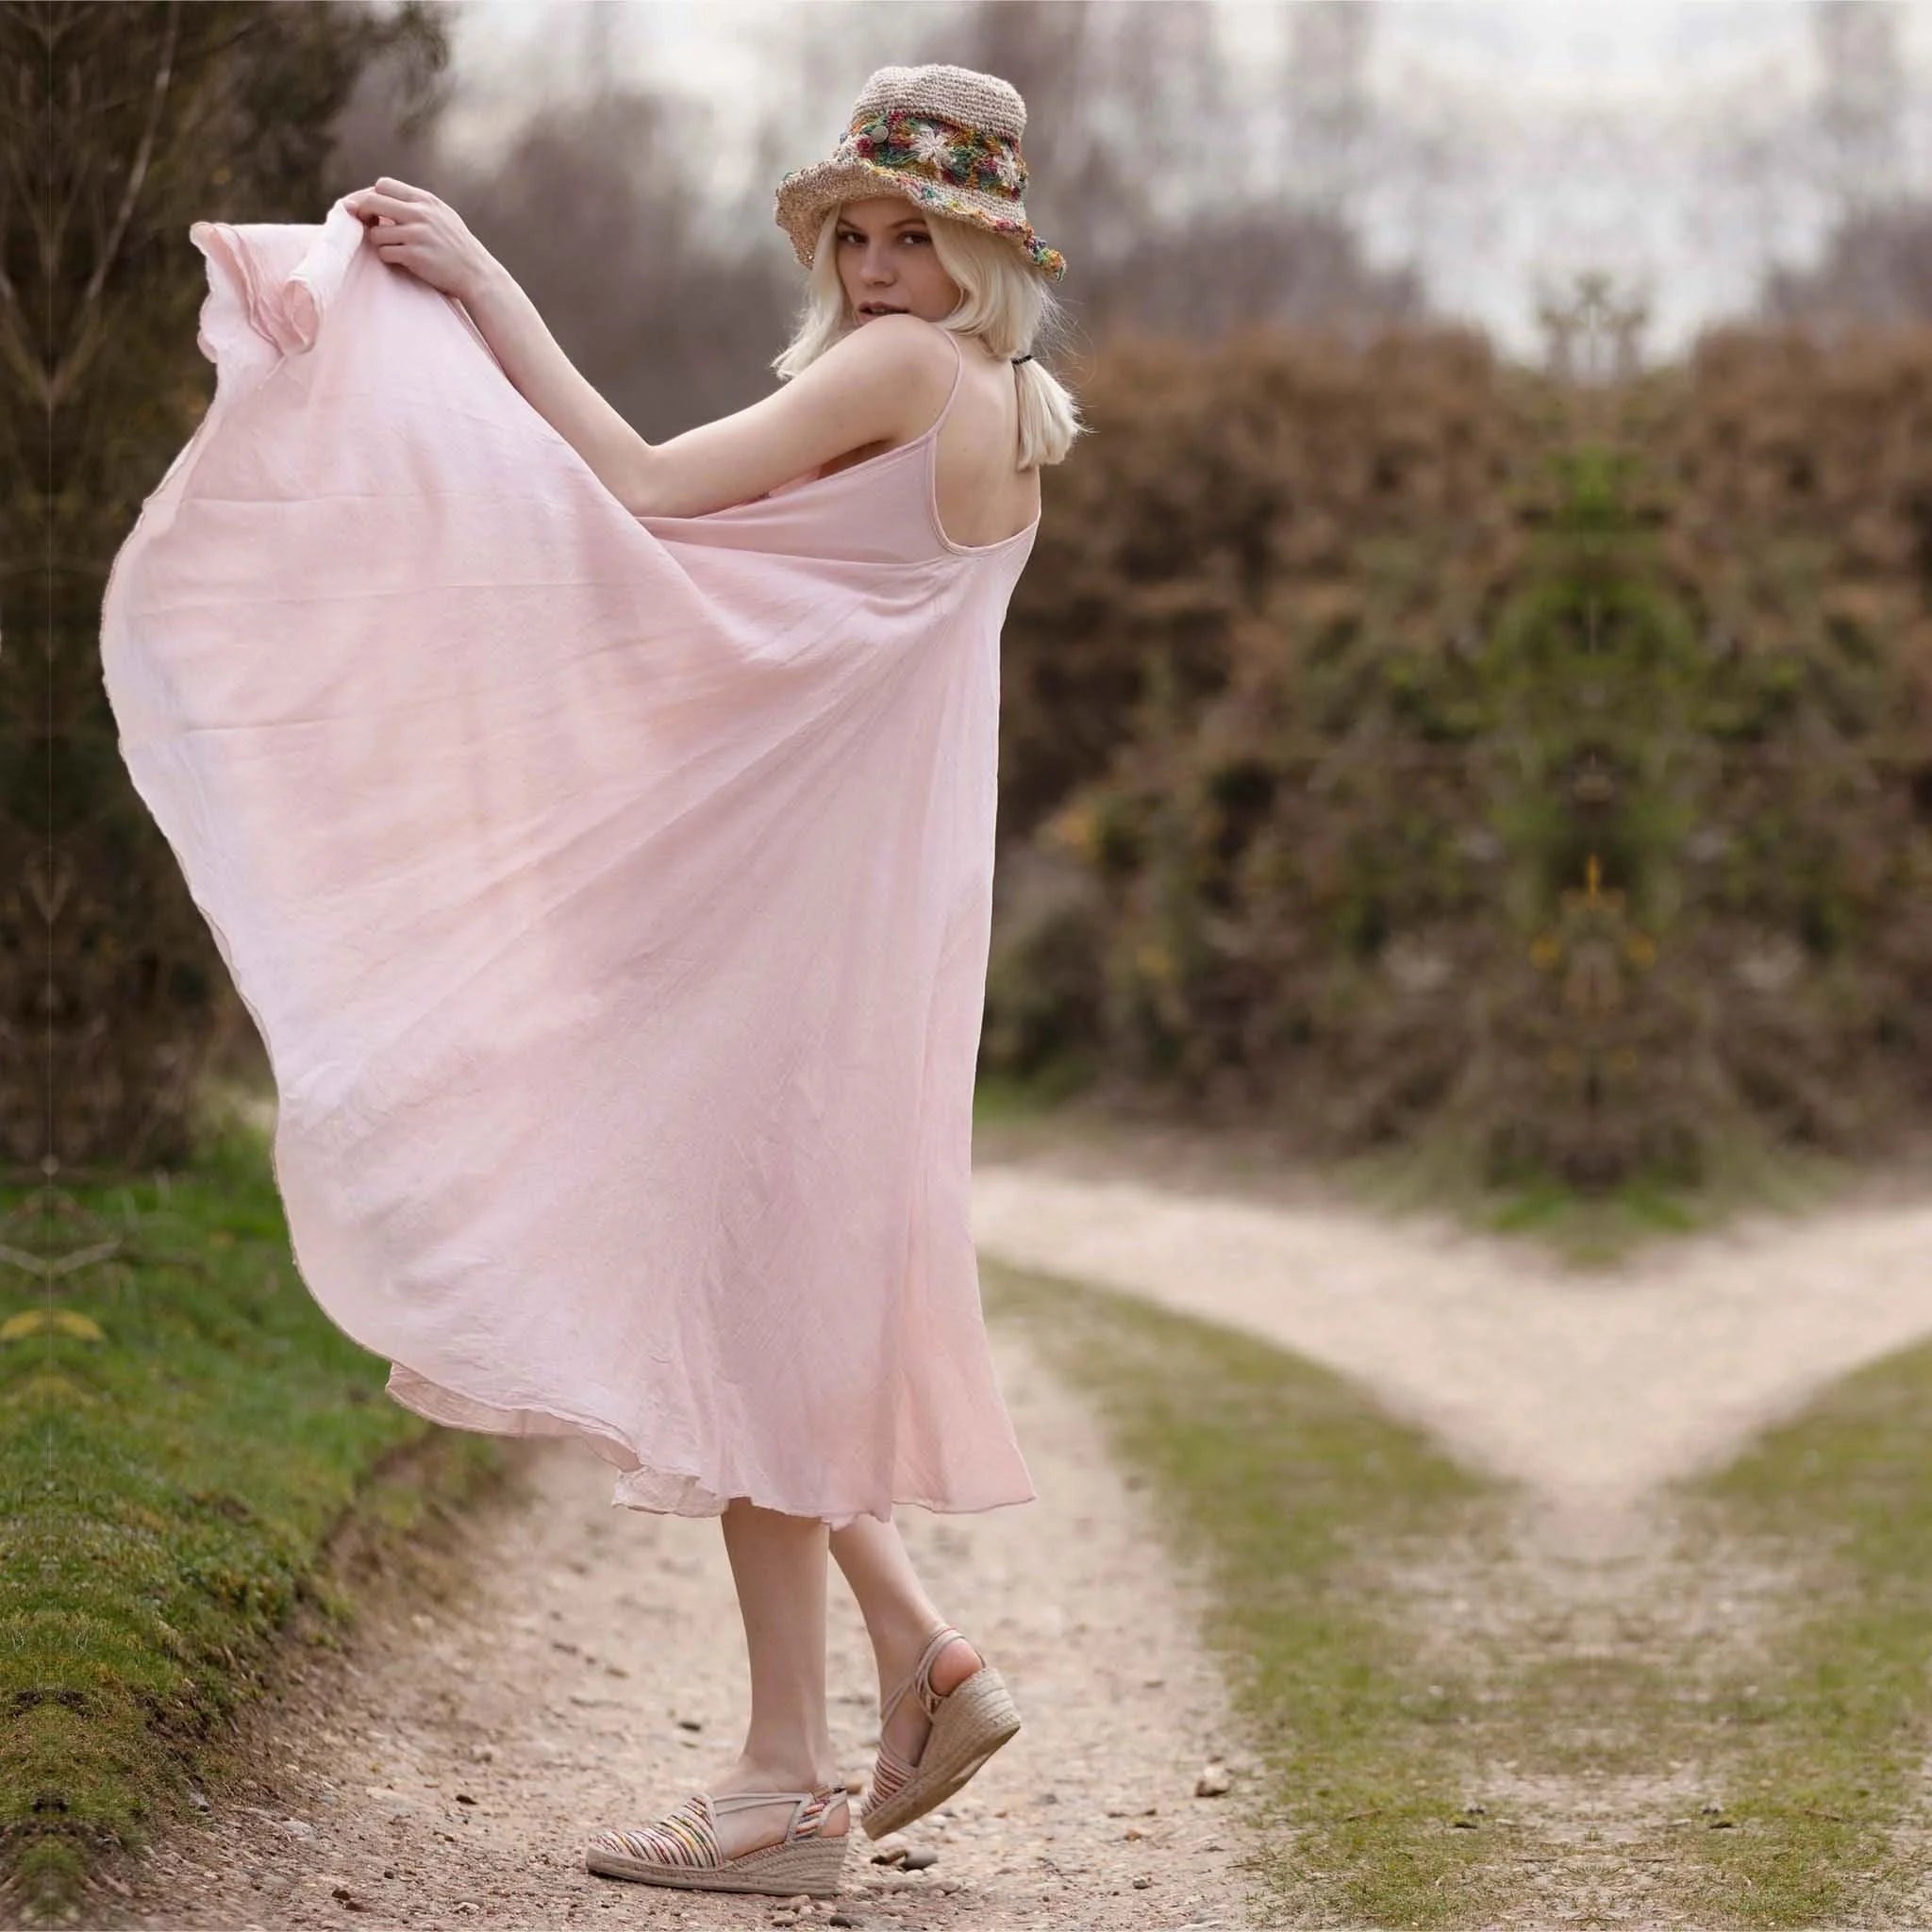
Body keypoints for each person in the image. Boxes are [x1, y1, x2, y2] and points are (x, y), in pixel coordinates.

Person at [99, 61, 1082, 1906]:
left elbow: (635, 487)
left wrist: (482, 287)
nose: (877, 268)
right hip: (877, 909)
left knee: (752, 1304)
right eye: (855, 235)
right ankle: (918, 1659)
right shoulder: (1012, 411)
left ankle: (785, 1791)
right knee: (772, 1292)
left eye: (914, 236)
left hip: (802, 909)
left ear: (985, 255)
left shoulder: (898, 370)